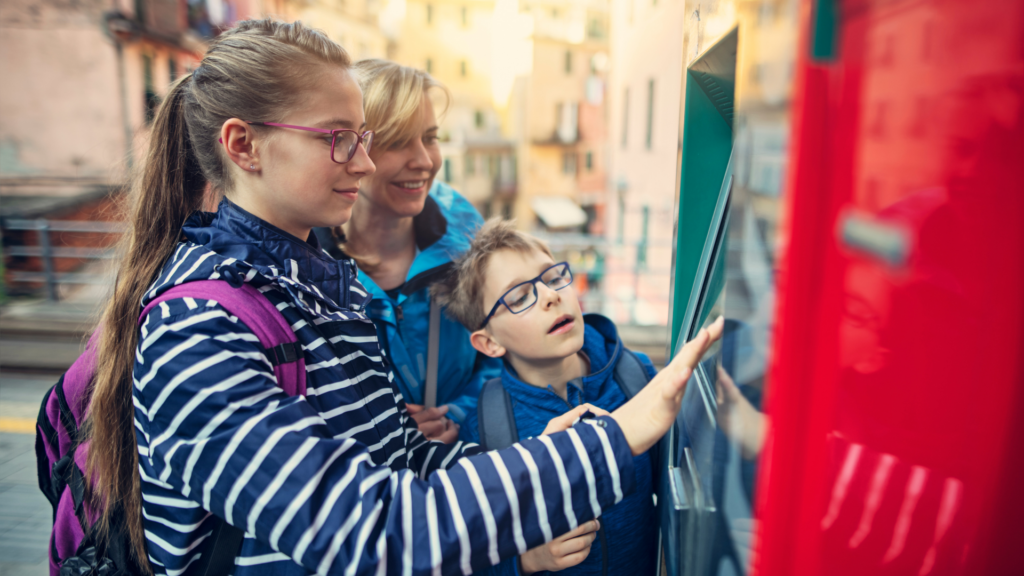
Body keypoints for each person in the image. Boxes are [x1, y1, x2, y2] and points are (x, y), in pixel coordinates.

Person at [85, 18, 723, 575]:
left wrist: (540, 454)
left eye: (364, 137)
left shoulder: (323, 294)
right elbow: (368, 530)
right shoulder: (195, 328)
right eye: (339, 138)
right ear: (243, 146)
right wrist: (613, 437)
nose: (362, 165)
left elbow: (405, 465)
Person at [433, 219, 661, 575]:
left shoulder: (636, 377)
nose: (551, 296)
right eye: (520, 297)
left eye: (553, 278)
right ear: (490, 343)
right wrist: (525, 561)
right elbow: (471, 554)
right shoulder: (487, 430)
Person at [313, 60, 499, 444]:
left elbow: (507, 351)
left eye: (430, 137)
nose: (425, 161)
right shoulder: (306, 263)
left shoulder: (466, 234)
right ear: (352, 148)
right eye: (397, 141)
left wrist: (459, 415)